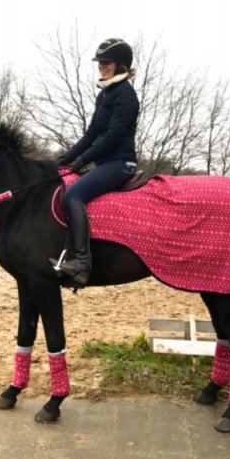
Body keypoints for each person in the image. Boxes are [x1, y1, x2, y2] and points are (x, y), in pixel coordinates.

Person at [52, 38, 140, 286]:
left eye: (106, 62)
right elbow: (91, 134)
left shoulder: (126, 95)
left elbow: (113, 136)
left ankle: (82, 263)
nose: (101, 66)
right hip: (104, 163)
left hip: (120, 163)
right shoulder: (106, 94)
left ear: (120, 65)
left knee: (73, 195)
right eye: (99, 62)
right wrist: (66, 158)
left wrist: (82, 160)